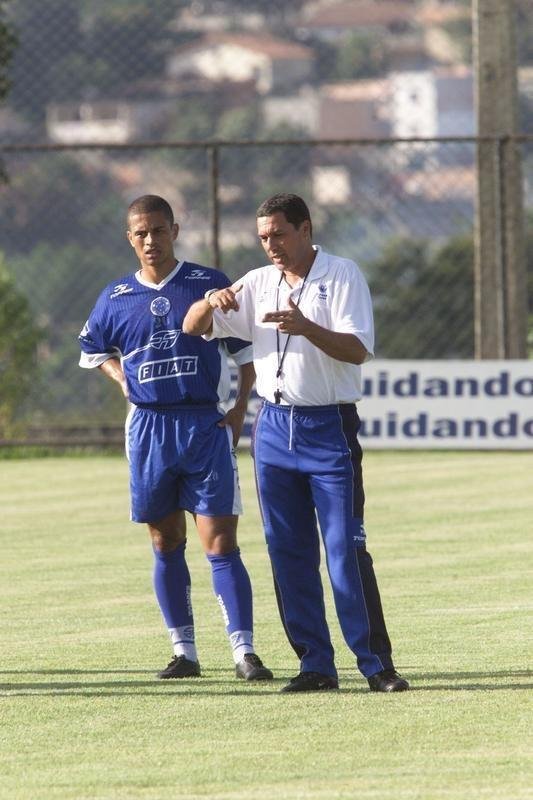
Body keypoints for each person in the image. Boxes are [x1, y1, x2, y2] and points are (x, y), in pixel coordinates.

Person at [182, 192, 409, 693]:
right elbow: (192, 327)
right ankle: (315, 665)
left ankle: (377, 665)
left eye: (279, 234)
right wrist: (207, 303)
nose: (271, 246)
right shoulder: (258, 282)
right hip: (273, 429)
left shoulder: (342, 274)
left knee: (346, 550)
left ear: (306, 229)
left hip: (329, 427)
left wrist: (307, 327)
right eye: (263, 237)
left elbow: (358, 350)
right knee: (287, 552)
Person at [78, 194, 272, 683]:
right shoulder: (115, 296)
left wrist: (237, 411)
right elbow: (93, 347)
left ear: (175, 231)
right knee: (166, 540)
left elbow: (244, 354)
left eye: (158, 231)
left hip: (202, 424)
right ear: (130, 238)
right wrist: (124, 379)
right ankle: (183, 652)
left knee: (221, 540)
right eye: (140, 233)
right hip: (148, 428)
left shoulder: (207, 283)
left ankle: (244, 651)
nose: (150, 240)